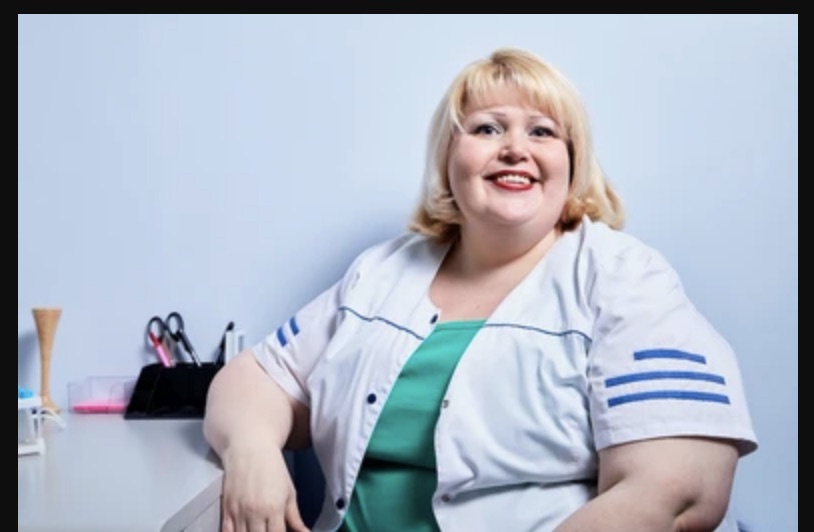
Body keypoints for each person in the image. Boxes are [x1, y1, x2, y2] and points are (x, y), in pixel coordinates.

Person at [203, 47, 758, 532]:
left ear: (572, 163)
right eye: (488, 128)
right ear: (449, 158)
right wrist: (252, 452)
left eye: (542, 132)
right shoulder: (382, 271)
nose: (515, 148)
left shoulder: (623, 277)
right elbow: (256, 379)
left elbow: (676, 492)